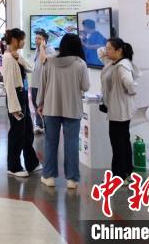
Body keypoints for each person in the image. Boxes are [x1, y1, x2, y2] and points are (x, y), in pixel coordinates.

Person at [38, 34, 89, 189]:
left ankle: (49, 177)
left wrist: (39, 103)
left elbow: (42, 84)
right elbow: (85, 87)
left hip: (51, 107)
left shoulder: (49, 61)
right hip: (72, 108)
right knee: (72, 143)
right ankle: (72, 179)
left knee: (50, 142)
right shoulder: (80, 64)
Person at [99, 38, 139, 182]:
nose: (106, 51)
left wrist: (131, 91)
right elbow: (100, 53)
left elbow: (130, 83)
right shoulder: (114, 62)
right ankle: (127, 171)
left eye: (109, 48)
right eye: (106, 48)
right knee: (123, 141)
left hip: (119, 111)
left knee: (117, 143)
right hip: (120, 110)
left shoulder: (122, 66)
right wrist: (106, 52)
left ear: (119, 50)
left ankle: (119, 176)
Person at [2, 28, 40, 177]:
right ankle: (13, 166)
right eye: (22, 39)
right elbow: (9, 84)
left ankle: (32, 163)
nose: (24, 42)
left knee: (27, 130)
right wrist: (14, 107)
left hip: (22, 95)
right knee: (17, 132)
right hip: (15, 98)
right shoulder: (7, 58)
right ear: (14, 40)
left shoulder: (16, 55)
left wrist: (19, 58)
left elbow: (31, 68)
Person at [31, 30, 56, 134]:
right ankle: (39, 124)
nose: (36, 40)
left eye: (39, 38)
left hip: (43, 84)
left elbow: (43, 60)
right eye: (36, 38)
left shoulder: (49, 49)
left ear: (44, 40)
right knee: (36, 104)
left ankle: (47, 125)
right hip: (35, 82)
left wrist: (42, 48)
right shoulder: (36, 49)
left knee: (43, 105)